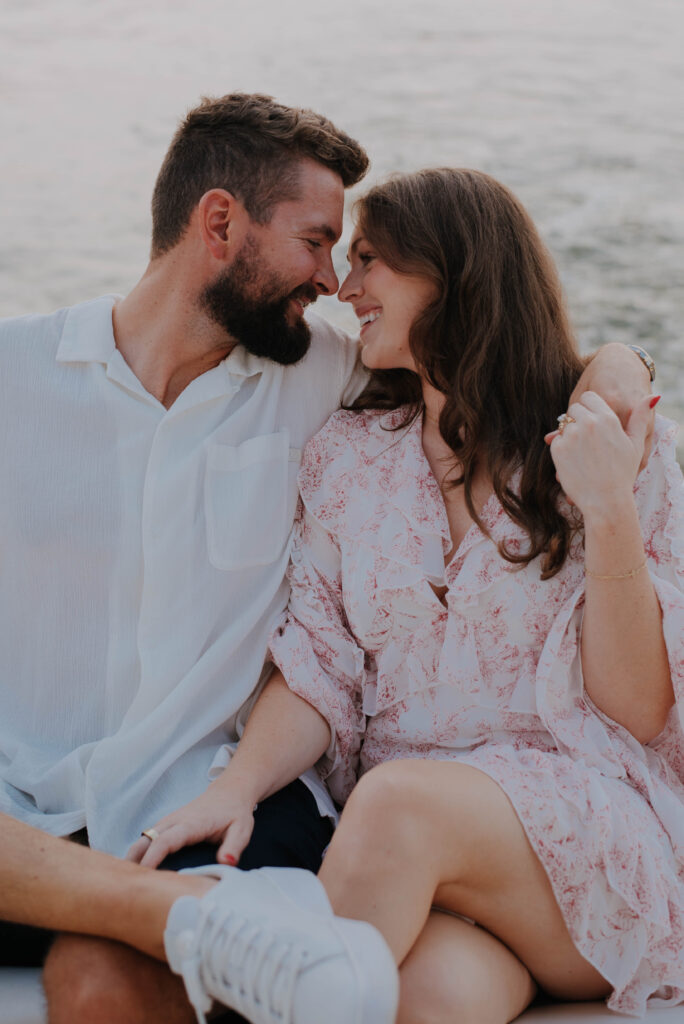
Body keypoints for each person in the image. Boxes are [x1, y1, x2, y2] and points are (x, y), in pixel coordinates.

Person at [0, 95, 654, 1022]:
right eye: (317, 244)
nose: (333, 283)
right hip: (28, 802)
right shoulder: (13, 378)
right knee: (417, 998)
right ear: (220, 223)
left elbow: (509, 349)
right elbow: (323, 655)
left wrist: (618, 379)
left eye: (357, 257)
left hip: (210, 797)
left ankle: (184, 913)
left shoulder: (317, 368)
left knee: (114, 972)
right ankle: (180, 916)